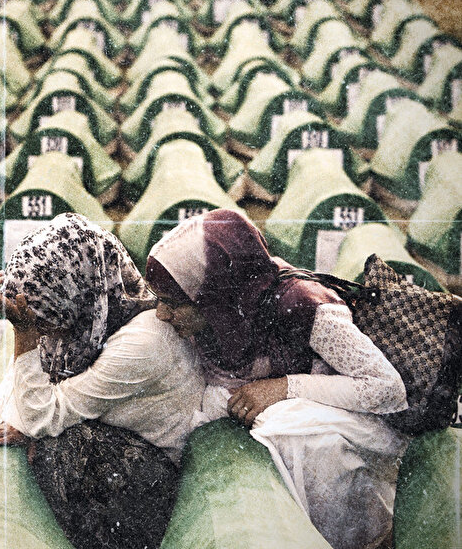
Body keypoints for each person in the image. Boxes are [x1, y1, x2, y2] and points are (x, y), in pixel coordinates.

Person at [145, 208, 410, 549]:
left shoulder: (300, 305)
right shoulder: (226, 310)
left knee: (286, 428)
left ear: (212, 295)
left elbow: (388, 389)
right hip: (322, 409)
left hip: (364, 422)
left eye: (173, 303)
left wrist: (284, 387)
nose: (161, 314)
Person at [0, 213, 205, 549]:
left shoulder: (144, 343)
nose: (42, 330)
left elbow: (40, 416)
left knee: (60, 446)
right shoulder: (91, 315)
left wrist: (23, 335)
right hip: (120, 445)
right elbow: (22, 399)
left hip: (152, 477)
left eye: (44, 317)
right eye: (33, 320)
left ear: (72, 291)